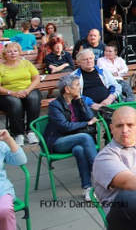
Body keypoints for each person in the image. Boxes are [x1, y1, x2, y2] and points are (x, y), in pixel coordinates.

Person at [44, 73, 99, 201]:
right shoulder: (55, 105)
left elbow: (88, 115)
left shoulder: (75, 101)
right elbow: (64, 126)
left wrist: (80, 100)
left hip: (73, 139)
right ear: (67, 89)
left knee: (79, 149)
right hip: (56, 142)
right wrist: (86, 124)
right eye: (77, 85)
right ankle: (100, 172)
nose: (80, 87)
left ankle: (87, 188)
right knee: (85, 137)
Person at [0, 42, 42, 146]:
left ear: (19, 52)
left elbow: (36, 78)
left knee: (34, 98)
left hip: (28, 90)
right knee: (15, 103)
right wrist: (12, 93)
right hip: (7, 94)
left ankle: (31, 131)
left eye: (15, 51)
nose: (13, 53)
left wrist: (27, 90)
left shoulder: (26, 63)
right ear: (5, 55)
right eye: (9, 51)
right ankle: (18, 134)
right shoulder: (1, 67)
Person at [0, 127, 26, 229]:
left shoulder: (1, 146)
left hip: (2, 189)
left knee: (5, 210)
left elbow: (21, 160)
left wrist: (9, 140)